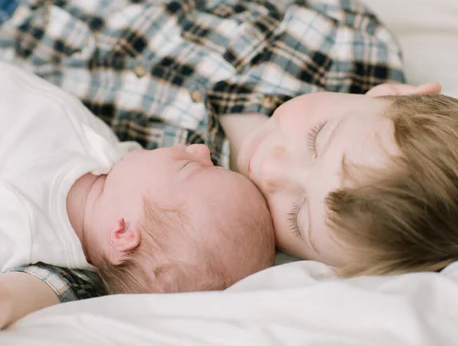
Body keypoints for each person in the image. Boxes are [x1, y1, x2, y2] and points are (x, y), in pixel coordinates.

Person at [0, 0, 458, 328]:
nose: (272, 168)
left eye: (298, 215)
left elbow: (95, 252)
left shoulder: (198, 212)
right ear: (396, 95)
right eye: (319, 139)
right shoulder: (350, 46)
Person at [0, 62, 274, 324]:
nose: (201, 149)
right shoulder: (118, 164)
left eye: (189, 166)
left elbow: (13, 298)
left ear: (122, 231)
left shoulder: (29, 232)